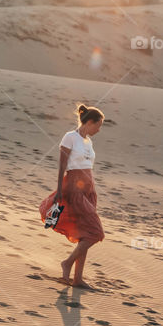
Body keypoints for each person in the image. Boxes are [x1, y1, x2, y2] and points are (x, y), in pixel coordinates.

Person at [38, 103, 105, 288]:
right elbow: (62, 165)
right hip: (74, 188)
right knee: (95, 232)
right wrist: (59, 189)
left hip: (88, 190)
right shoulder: (70, 137)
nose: (99, 130)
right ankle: (67, 263)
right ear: (89, 122)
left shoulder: (88, 142)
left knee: (85, 232)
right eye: (98, 126)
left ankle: (77, 279)